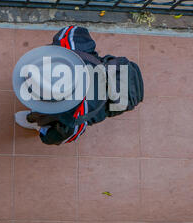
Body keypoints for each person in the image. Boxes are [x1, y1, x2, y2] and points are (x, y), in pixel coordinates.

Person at [12, 26, 143, 145]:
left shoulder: (75, 117)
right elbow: (73, 30)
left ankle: (36, 121)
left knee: (49, 121)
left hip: (96, 102)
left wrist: (43, 129)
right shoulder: (70, 43)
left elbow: (57, 137)